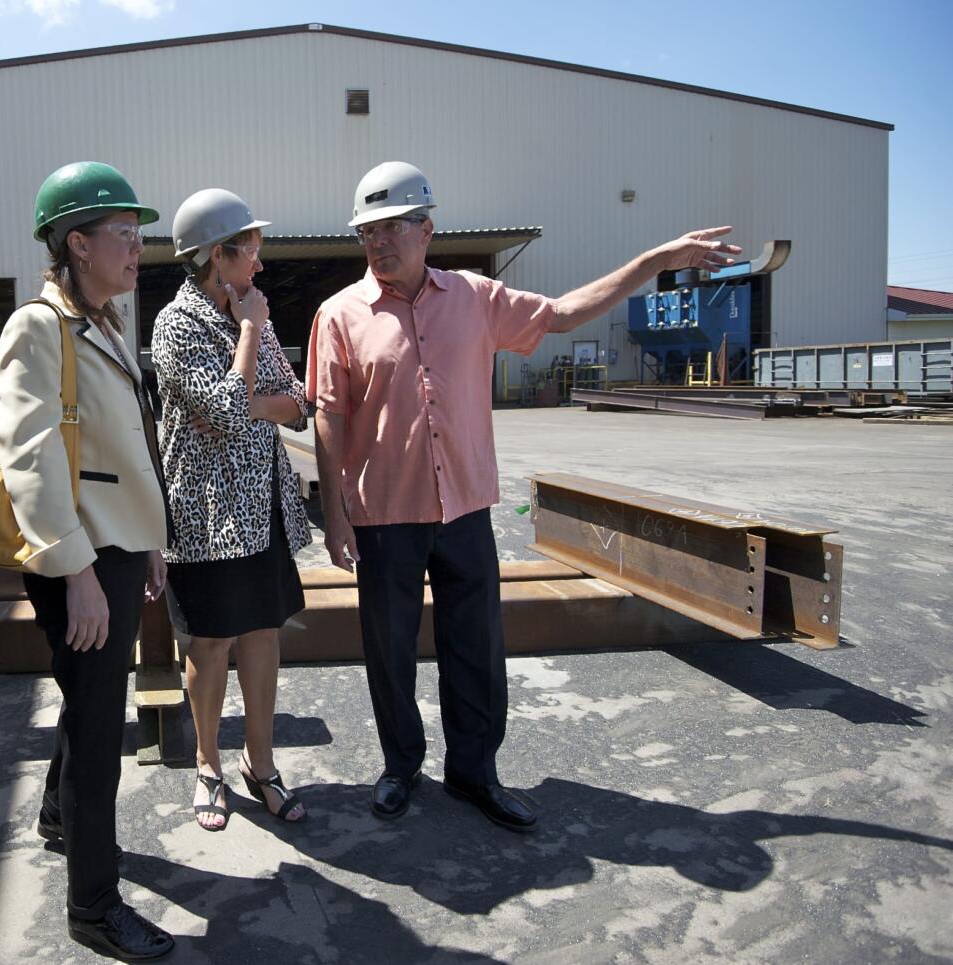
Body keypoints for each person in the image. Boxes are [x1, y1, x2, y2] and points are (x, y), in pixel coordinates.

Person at [306, 161, 741, 832]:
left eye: (393, 227)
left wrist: (657, 259)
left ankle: (475, 772)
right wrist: (334, 513)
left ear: (427, 227)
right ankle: (400, 767)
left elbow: (565, 313)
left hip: (466, 510)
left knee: (476, 644)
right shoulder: (340, 315)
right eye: (369, 231)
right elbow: (330, 417)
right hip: (385, 515)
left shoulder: (477, 298)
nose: (380, 242)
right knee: (388, 649)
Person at [0, 161, 176, 960]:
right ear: (76, 242)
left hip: (119, 546)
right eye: (125, 238)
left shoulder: (102, 320)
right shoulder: (38, 327)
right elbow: (28, 457)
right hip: (82, 557)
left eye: (139, 239)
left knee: (89, 698)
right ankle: (94, 908)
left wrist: (152, 541)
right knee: (101, 730)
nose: (139, 251)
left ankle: (58, 818)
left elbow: (124, 444)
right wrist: (76, 574)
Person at [151, 189, 312, 831]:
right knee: (211, 643)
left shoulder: (255, 314)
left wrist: (248, 391)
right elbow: (220, 412)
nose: (261, 267)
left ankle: (261, 763)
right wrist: (247, 334)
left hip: (261, 506)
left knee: (263, 636)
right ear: (220, 256)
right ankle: (210, 766)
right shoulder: (177, 324)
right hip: (207, 513)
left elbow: (296, 401)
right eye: (251, 252)